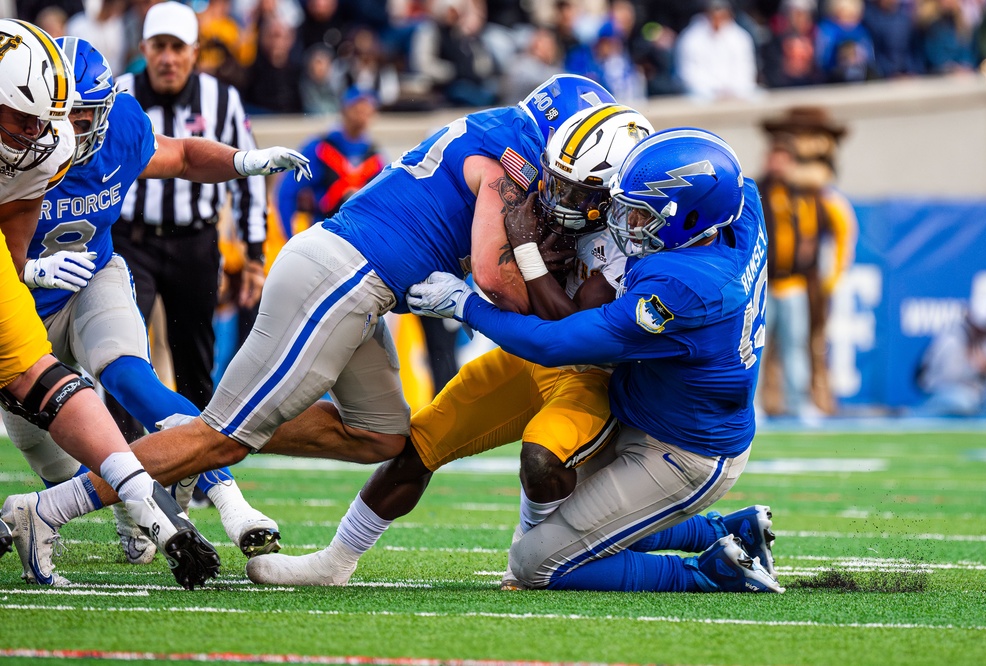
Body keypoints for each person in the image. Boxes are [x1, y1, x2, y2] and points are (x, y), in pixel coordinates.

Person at [7, 74, 623, 584]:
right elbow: (496, 275)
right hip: (342, 275)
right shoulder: (509, 159)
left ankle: (193, 443)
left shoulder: (505, 135)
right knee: (224, 436)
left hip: (364, 284)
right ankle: (48, 509)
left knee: (380, 434)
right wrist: (548, 310)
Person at [244, 103, 658, 586]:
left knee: (543, 458)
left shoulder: (630, 237)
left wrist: (497, 279)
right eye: (557, 180)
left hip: (590, 374)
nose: (559, 198)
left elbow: (569, 334)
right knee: (418, 443)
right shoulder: (567, 202)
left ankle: (530, 554)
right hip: (528, 356)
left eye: (577, 191)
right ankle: (336, 560)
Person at [403, 127, 783, 593]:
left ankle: (710, 574)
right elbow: (726, 179)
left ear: (688, 220)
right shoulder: (737, 208)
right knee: (580, 521)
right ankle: (726, 530)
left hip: (685, 452)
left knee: (532, 563)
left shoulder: (683, 288)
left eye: (642, 215)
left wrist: (466, 305)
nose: (625, 221)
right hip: (646, 409)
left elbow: (555, 345)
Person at [0, 35, 311, 579]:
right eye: (60, 115)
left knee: (130, 379)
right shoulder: (20, 143)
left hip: (94, 276)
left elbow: (185, 155)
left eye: (85, 114)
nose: (72, 129)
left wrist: (245, 160)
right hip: (18, 306)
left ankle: (234, 507)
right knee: (59, 464)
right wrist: (25, 269)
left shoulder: (119, 124)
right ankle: (125, 507)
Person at [0, 18, 218, 591]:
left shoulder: (73, 140)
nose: (49, 132)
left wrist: (24, 267)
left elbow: (183, 158)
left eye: (68, 114)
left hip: (67, 289)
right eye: (31, 118)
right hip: (33, 294)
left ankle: (150, 505)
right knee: (42, 441)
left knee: (68, 401)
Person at [108, 1, 272, 437]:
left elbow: (248, 178)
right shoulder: (117, 94)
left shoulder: (223, 100)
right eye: (158, 46)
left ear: (195, 51)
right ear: (143, 47)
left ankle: (196, 467)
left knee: (195, 359)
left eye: (177, 47)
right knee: (120, 350)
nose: (167, 58)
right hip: (128, 241)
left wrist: (254, 254)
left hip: (194, 243)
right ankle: (122, 460)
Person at [757, 106, 857, 419]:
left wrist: (829, 278)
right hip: (764, 282)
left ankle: (801, 403)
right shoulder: (757, 192)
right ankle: (755, 405)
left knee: (797, 347)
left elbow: (835, 235)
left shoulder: (808, 196)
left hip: (796, 283)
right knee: (756, 350)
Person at [276, 86, 384, 238]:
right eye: (358, 107)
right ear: (345, 110)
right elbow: (286, 192)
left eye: (367, 108)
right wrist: (289, 237)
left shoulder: (375, 156)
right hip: (323, 235)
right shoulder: (320, 148)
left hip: (361, 240)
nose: (363, 113)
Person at [917, 275, 986, 416]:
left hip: (977, 397)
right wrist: (977, 367)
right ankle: (918, 415)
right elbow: (949, 379)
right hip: (941, 393)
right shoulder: (952, 340)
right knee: (963, 401)